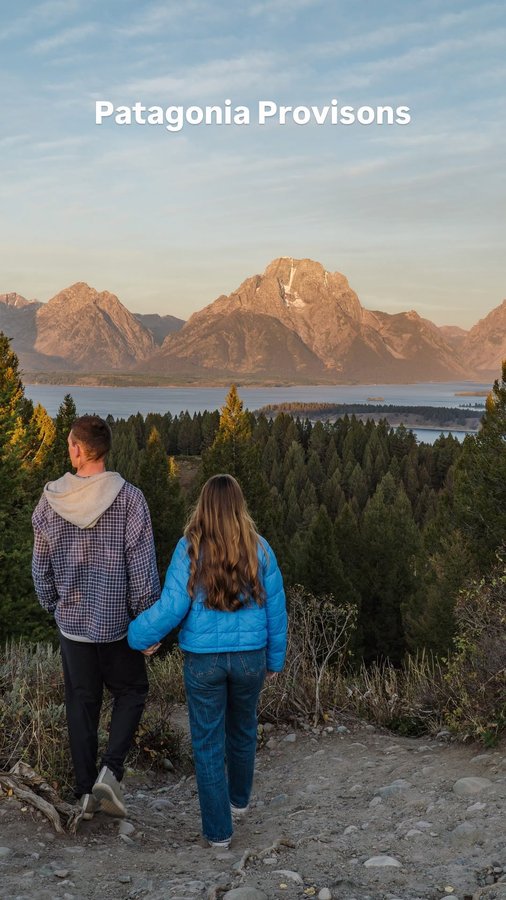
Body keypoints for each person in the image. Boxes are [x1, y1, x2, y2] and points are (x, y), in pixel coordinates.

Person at [128, 473, 287, 848]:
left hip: (204, 663)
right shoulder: (259, 548)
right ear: (238, 506)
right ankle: (239, 801)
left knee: (208, 742)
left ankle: (219, 834)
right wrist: (275, 660)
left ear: (203, 506)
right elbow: (276, 611)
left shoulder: (190, 548)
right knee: (244, 729)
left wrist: (137, 636)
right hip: (250, 657)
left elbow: (172, 606)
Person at [32, 414, 160, 820]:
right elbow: (142, 574)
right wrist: (148, 622)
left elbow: (41, 569)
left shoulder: (51, 499)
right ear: (104, 450)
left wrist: (56, 607)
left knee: (80, 705)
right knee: (132, 692)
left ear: (75, 448)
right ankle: (111, 771)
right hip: (118, 627)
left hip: (74, 628)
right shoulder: (130, 499)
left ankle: (84, 793)